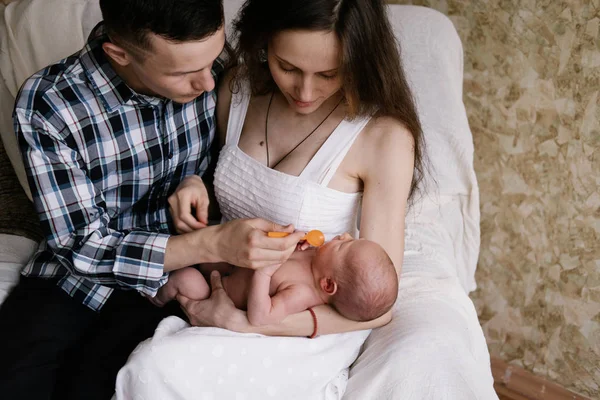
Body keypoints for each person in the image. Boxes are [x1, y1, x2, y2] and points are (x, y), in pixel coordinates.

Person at [127, 0, 496, 398]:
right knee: (146, 363)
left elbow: (380, 307)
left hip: (306, 319)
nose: (304, 92)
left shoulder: (383, 137)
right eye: (287, 67)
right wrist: (193, 187)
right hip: (227, 279)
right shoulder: (236, 89)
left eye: (328, 74)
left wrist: (247, 324)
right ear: (265, 44)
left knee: (156, 367)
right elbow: (227, 199)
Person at [0, 1, 307, 399]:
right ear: (119, 54)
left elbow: (236, 166)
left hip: (175, 286)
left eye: (212, 59)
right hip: (71, 278)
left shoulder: (213, 66)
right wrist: (210, 242)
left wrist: (198, 181)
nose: (209, 84)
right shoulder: (50, 103)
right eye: (183, 73)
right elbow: (79, 244)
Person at [156, 232, 398, 324]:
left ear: (328, 284)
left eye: (344, 246)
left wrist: (264, 273)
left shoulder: (302, 294)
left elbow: (261, 317)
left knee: (185, 278)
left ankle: (156, 298)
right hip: (230, 266)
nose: (344, 235)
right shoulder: (315, 257)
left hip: (219, 295)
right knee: (207, 244)